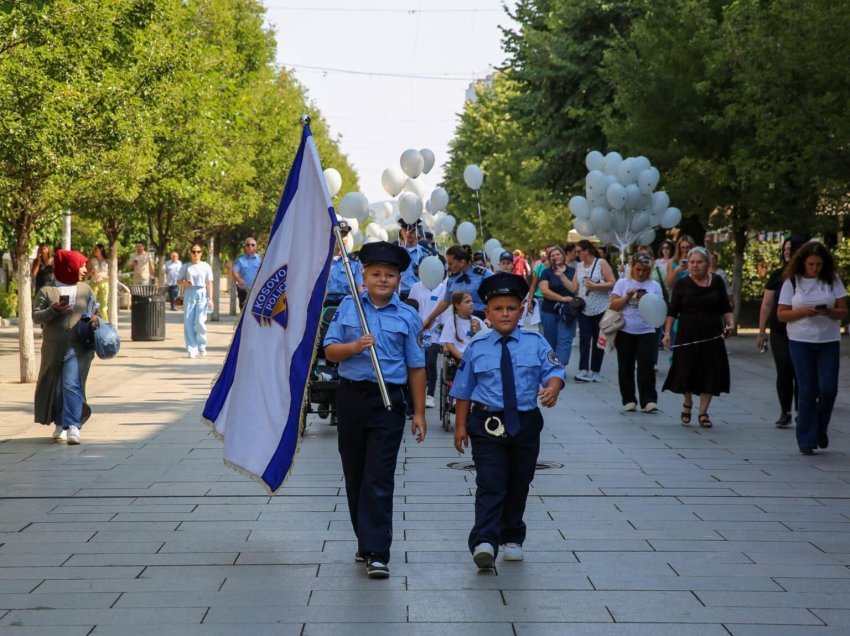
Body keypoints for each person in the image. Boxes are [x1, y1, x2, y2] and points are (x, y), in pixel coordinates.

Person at [323, 241, 426, 579]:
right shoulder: (349, 307)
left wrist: (420, 414)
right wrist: (354, 346)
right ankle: (364, 537)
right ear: (363, 276)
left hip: (389, 402)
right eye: (376, 274)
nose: (383, 280)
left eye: (390, 275)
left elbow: (416, 367)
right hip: (352, 399)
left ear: (399, 279)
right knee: (355, 474)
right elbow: (330, 353)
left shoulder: (408, 316)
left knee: (379, 477)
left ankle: (378, 551)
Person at [450, 272, 565, 569]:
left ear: (522, 310)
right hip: (487, 422)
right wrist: (461, 426)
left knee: (519, 481)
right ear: (487, 313)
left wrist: (552, 387)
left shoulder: (535, 342)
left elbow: (554, 371)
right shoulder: (477, 346)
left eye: (511, 308)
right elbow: (463, 390)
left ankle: (512, 537)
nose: (505, 314)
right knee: (490, 481)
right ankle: (484, 540)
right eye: (498, 309)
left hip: (525, 423)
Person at [777, 241, 847, 455]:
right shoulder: (792, 281)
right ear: (803, 263)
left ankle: (820, 427)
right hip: (800, 340)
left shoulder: (832, 280)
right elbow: (781, 314)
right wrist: (804, 312)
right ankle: (806, 439)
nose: (815, 268)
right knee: (807, 389)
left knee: (828, 388)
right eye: (811, 264)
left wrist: (830, 311)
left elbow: (844, 311)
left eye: (818, 264)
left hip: (828, 340)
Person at [32, 249, 100, 445]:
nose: (84, 269)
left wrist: (95, 320)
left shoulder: (86, 290)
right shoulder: (47, 291)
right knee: (56, 386)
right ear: (69, 267)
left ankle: (73, 426)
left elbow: (95, 311)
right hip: (53, 348)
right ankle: (60, 423)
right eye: (81, 266)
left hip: (78, 347)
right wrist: (53, 310)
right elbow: (36, 316)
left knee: (72, 384)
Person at [662, 247, 732, 428]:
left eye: (699, 262)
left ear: (707, 264)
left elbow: (725, 307)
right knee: (686, 370)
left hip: (711, 335)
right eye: (692, 262)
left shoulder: (716, 281)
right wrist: (668, 334)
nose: (695, 265)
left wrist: (730, 323)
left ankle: (703, 412)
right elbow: (672, 312)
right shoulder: (682, 284)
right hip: (687, 334)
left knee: (710, 371)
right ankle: (687, 402)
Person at [756, 237, 806, 427]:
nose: (786, 252)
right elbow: (767, 304)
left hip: (802, 329)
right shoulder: (778, 276)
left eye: (790, 249)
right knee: (784, 367)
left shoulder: (807, 276)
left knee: (801, 370)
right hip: (780, 330)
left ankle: (802, 409)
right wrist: (761, 331)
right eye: (784, 249)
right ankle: (785, 411)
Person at [610, 253, 664, 412]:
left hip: (646, 330)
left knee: (646, 365)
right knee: (625, 366)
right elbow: (613, 305)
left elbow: (660, 308)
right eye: (638, 270)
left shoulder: (654, 285)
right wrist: (626, 297)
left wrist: (647, 299)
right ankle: (628, 398)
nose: (641, 273)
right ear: (632, 268)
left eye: (644, 270)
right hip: (625, 329)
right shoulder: (622, 283)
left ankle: (648, 399)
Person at [574, 239, 616, 382]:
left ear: (587, 250)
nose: (577, 254)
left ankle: (596, 370)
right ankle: (583, 369)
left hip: (601, 307)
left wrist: (596, 286)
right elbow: (574, 287)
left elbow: (612, 283)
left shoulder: (601, 263)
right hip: (584, 307)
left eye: (579, 251)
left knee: (598, 339)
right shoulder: (579, 266)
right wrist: (560, 275)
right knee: (584, 338)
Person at [423, 244, 493, 327]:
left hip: (481, 318)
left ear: (462, 262)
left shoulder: (484, 275)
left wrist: (490, 319)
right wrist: (430, 318)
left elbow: (494, 300)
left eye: (451, 264)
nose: (448, 267)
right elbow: (446, 301)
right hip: (459, 319)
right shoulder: (452, 278)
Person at [408, 277, 449, 408]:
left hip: (434, 331)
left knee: (431, 360)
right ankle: (417, 392)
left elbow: (445, 310)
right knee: (419, 361)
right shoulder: (416, 286)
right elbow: (411, 307)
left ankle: (430, 394)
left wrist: (443, 331)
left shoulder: (443, 288)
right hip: (418, 329)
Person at [538, 244, 579, 367]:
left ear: (564, 255)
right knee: (550, 340)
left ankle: (560, 367)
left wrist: (562, 275)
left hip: (568, 311)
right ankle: (551, 366)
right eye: (552, 256)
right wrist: (562, 298)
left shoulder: (573, 271)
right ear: (550, 259)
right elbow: (544, 291)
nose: (555, 257)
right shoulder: (546, 272)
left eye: (558, 254)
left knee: (565, 339)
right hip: (549, 310)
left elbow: (574, 289)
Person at [177, 243, 214, 358]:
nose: (196, 254)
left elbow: (209, 283)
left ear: (201, 253)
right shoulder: (186, 266)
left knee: (200, 321)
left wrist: (211, 299)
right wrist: (185, 283)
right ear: (190, 253)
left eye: (198, 251)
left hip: (202, 293)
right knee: (188, 321)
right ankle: (192, 348)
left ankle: (202, 346)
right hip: (190, 293)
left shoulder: (206, 266)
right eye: (193, 251)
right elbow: (178, 281)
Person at [326, 221, 364, 306]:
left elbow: (360, 289)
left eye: (344, 235)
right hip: (323, 307)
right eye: (338, 235)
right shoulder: (321, 262)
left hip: (347, 306)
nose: (342, 238)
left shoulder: (355, 263)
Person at [440, 291, 485, 361]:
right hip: (459, 358)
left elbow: (485, 341)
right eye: (467, 302)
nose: (472, 304)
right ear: (457, 306)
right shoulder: (450, 321)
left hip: (476, 357)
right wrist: (461, 357)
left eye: (471, 301)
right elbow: (449, 343)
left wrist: (479, 330)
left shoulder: (477, 320)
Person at [398, 221, 429, 301]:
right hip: (399, 294)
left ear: (417, 231)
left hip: (419, 295)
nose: (409, 234)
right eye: (406, 231)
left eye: (412, 231)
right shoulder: (396, 252)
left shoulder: (425, 253)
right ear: (401, 232)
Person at [232, 237, 263, 311]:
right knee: (243, 312)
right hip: (244, 291)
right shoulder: (240, 260)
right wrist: (239, 280)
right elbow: (234, 271)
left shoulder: (261, 259)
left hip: (257, 291)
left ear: (256, 247)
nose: (250, 247)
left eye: (253, 245)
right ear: (245, 247)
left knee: (256, 313)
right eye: (248, 245)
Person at [87, 243, 110, 322]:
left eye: (96, 249)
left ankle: (105, 324)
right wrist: (91, 271)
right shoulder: (92, 260)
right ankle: (92, 323)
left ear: (101, 250)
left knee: (103, 307)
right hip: (94, 283)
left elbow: (111, 276)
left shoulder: (108, 261)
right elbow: (86, 274)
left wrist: (102, 276)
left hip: (104, 284)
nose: (94, 251)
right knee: (92, 305)